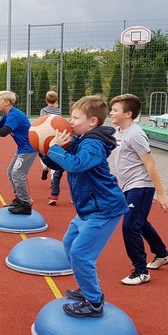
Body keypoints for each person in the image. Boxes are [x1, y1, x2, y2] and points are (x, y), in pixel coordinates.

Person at [43, 95, 129, 318]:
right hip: (87, 210)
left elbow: (77, 164)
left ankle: (94, 302)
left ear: (92, 122)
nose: (70, 122)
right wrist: (46, 150)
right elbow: (62, 163)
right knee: (70, 244)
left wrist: (55, 148)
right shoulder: (81, 140)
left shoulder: (93, 144)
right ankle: (87, 289)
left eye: (75, 117)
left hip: (104, 210)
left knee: (81, 254)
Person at [109, 94, 168, 285]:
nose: (111, 113)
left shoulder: (135, 134)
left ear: (128, 113)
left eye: (115, 110)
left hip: (141, 186)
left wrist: (160, 194)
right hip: (128, 187)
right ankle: (162, 253)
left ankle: (140, 271)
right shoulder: (119, 131)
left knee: (130, 227)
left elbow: (150, 164)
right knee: (139, 221)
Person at [0, 90, 38, 214]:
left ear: (7, 102)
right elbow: (0, 127)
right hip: (22, 148)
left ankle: (26, 204)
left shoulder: (14, 115)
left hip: (29, 149)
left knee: (17, 174)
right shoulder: (7, 115)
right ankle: (19, 200)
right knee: (11, 172)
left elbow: (3, 132)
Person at [38, 91, 65, 205]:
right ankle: (53, 177)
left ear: (46, 100)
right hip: (56, 135)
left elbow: (42, 121)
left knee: (42, 152)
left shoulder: (44, 110)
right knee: (55, 156)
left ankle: (45, 166)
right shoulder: (58, 111)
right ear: (57, 101)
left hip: (46, 134)